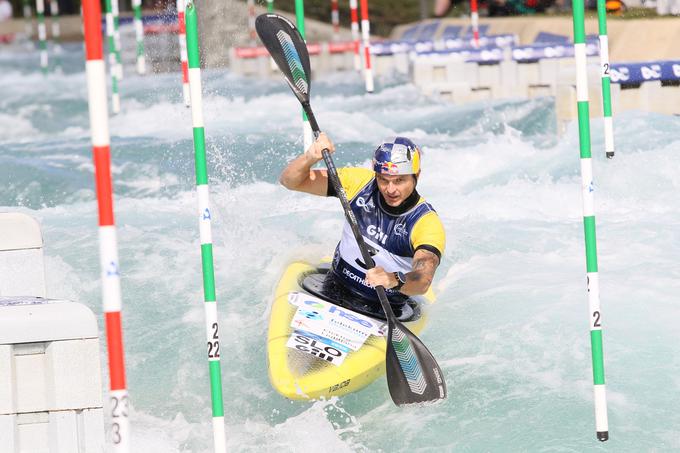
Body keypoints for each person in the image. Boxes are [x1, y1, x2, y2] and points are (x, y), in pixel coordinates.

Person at [279, 133, 446, 320]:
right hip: (333, 287)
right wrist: (310, 157)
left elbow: (423, 280)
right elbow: (290, 181)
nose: (390, 189)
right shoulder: (359, 183)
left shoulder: (426, 223)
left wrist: (393, 279)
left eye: (399, 180)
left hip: (385, 309)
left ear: (417, 176)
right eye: (383, 179)